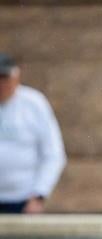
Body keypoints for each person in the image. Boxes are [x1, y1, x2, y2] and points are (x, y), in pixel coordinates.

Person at [0, 53, 66, 214]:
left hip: (22, 199)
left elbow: (53, 153)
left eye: (5, 78)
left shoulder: (34, 103)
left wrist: (39, 194)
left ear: (16, 78)